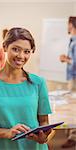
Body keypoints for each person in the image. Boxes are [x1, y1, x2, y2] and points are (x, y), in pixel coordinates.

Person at [0, 27, 52, 150]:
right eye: (16, 49)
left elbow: (44, 121)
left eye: (27, 51)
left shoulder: (38, 83)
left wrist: (43, 137)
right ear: (5, 47)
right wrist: (6, 133)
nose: (21, 56)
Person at [60, 16, 76, 148]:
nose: (67, 26)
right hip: (72, 77)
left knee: (73, 108)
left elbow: (75, 62)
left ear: (72, 25)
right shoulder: (72, 40)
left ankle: (73, 137)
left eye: (68, 23)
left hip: (75, 77)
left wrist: (66, 59)